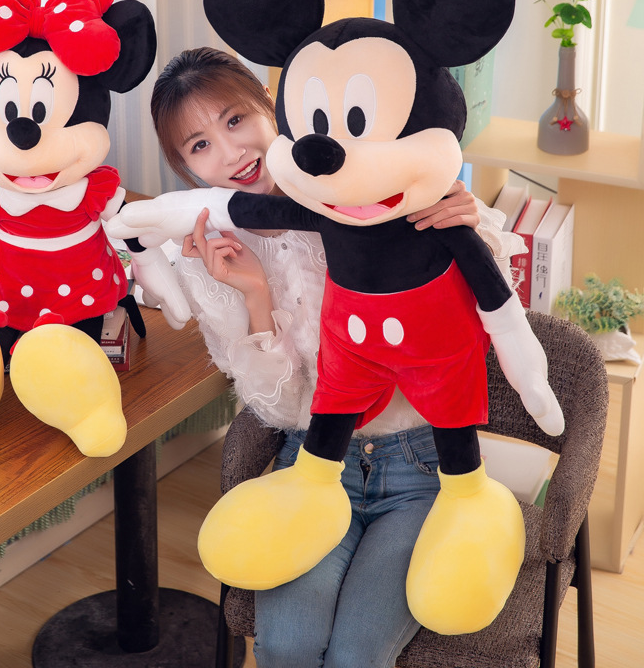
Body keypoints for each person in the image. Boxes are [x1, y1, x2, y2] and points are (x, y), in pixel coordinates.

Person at [148, 46, 523, 667]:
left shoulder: (369, 185)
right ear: (185, 166)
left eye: (236, 120)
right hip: (315, 466)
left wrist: (467, 223)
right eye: (200, 145)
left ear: (272, 107)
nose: (232, 152)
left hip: (425, 465)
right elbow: (277, 408)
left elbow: (492, 310)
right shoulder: (210, 254)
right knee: (288, 644)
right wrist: (255, 295)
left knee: (356, 655)